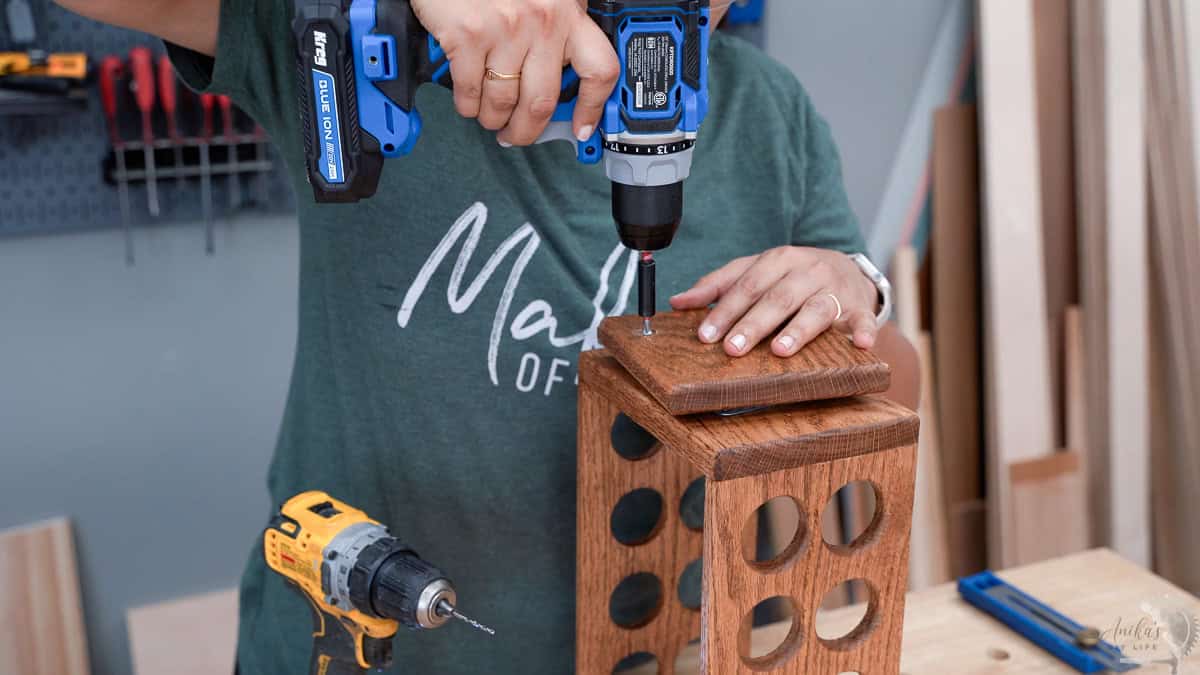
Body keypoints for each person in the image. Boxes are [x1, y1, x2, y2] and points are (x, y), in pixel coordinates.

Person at [55, 0, 919, 672]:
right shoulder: (373, 42)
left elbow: (897, 396)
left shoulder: (772, 114)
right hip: (355, 644)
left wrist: (855, 297)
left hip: (654, 649)